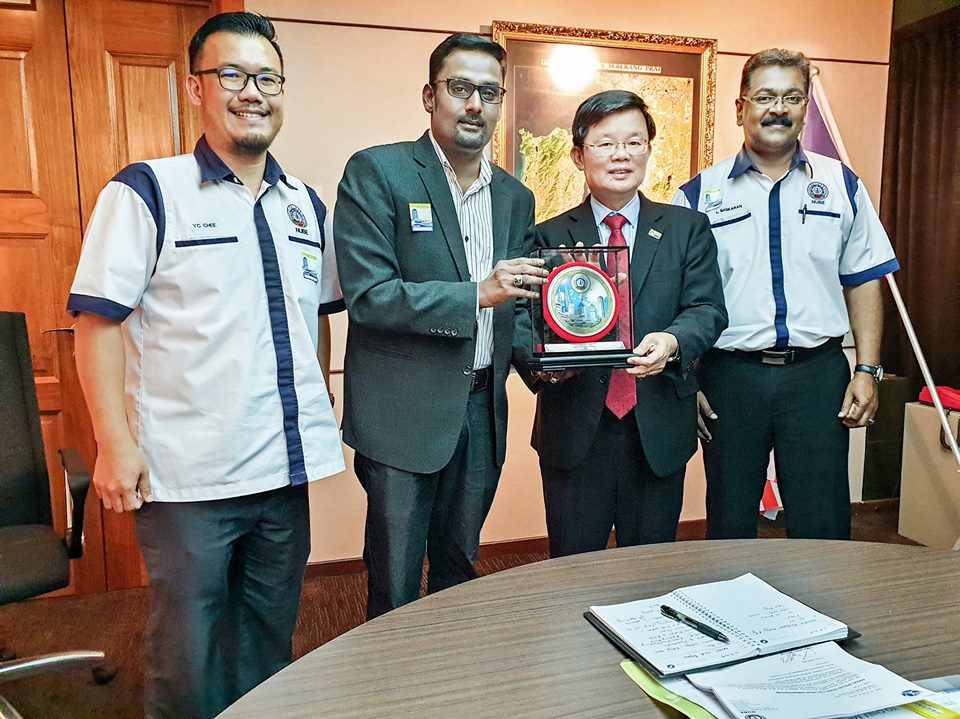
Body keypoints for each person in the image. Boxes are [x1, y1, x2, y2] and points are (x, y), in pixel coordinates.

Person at [68, 13, 345, 719]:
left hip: (282, 474)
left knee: (268, 643)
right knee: (187, 656)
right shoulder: (147, 191)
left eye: (268, 78)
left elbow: (315, 318)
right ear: (196, 88)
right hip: (188, 480)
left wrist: (317, 405)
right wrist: (114, 444)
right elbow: (97, 324)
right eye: (232, 74)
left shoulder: (304, 205)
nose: (252, 92)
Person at [334, 33, 548, 619]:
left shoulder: (515, 198)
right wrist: (477, 293)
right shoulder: (378, 172)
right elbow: (370, 296)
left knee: (459, 570)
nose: (475, 104)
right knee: (396, 580)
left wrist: (549, 364)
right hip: (402, 416)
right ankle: (388, 674)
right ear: (430, 96)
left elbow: (517, 307)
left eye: (489, 92)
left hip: (481, 411)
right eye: (460, 88)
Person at [672, 48, 899, 540]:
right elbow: (677, 301)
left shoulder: (841, 184)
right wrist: (684, 382)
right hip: (729, 380)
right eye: (765, 97)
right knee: (730, 522)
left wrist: (867, 370)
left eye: (792, 97)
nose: (778, 108)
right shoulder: (697, 196)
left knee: (823, 525)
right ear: (740, 108)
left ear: (805, 107)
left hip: (817, 379)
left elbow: (864, 278)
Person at [531, 90, 727, 557]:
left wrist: (673, 341)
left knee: (650, 568)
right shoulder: (547, 236)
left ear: (648, 150)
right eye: (605, 143)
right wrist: (547, 367)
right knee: (573, 567)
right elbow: (524, 321)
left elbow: (708, 309)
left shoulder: (687, 228)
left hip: (657, 426)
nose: (621, 155)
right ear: (579, 156)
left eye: (634, 142)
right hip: (575, 426)